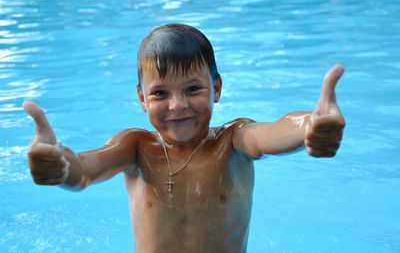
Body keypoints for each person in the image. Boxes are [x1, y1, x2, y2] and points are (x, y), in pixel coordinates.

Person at [23, 23, 345, 253]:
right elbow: (86, 169)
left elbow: (269, 134)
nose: (177, 106)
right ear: (142, 99)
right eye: (160, 93)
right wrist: (61, 165)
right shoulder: (135, 147)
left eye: (193, 89)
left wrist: (308, 125)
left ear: (216, 89)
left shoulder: (232, 141)